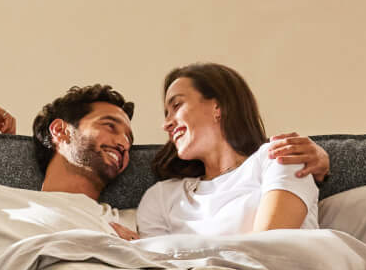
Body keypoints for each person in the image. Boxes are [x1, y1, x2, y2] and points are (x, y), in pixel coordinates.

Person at [0, 83, 329, 268]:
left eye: (129, 137)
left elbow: (228, 227)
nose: (123, 141)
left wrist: (318, 162)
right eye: (109, 126)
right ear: (60, 132)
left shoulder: (134, 221)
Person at [136, 64, 320, 238]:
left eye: (176, 106)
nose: (165, 124)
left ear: (218, 107)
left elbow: (269, 250)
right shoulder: (161, 197)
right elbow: (153, 269)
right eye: (166, 113)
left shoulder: (277, 157)